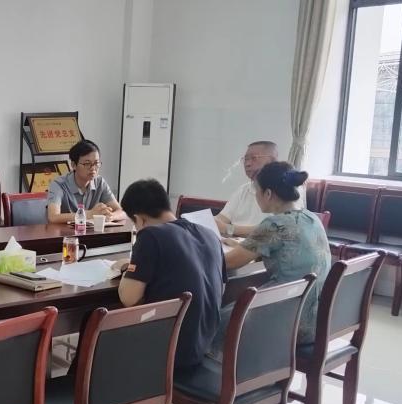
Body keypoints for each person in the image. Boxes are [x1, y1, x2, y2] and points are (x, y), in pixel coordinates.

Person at [115, 179, 226, 369]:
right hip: (204, 347)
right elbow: (221, 288)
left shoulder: (150, 236)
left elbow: (129, 298)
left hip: (168, 351)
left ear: (139, 219)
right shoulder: (210, 235)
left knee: (93, 330)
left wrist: (127, 269)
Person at [221, 162, 330, 346]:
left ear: (268, 193)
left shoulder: (274, 225)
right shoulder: (312, 218)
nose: (256, 196)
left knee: (215, 321)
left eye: (257, 191)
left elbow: (229, 262)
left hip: (286, 322)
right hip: (314, 321)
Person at [215, 141, 305, 237]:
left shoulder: (290, 189)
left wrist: (229, 229)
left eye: (254, 158)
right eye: (245, 159)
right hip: (234, 241)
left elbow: (276, 228)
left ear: (273, 160)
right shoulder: (243, 189)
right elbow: (222, 218)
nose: (247, 164)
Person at [46, 140, 127, 224]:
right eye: (87, 164)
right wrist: (90, 214)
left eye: (96, 163)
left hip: (92, 231)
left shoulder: (100, 182)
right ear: (73, 165)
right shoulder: (59, 184)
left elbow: (122, 212)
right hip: (65, 231)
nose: (93, 168)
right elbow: (53, 217)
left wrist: (110, 216)